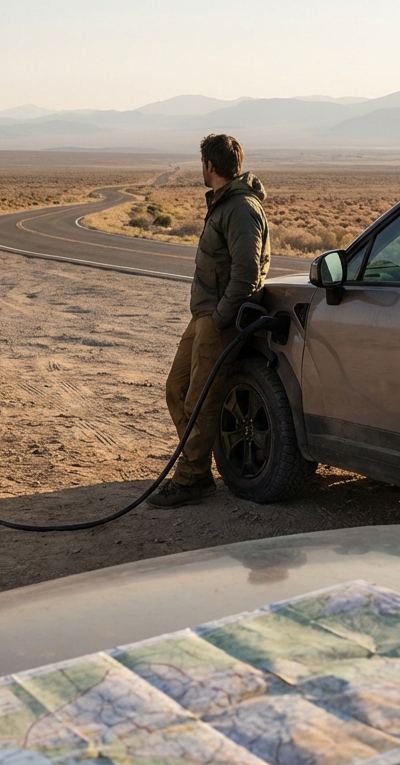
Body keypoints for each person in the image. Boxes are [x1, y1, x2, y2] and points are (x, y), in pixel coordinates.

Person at [148, 134, 270, 508]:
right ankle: (196, 469)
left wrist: (219, 318)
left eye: (201, 163)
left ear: (209, 166)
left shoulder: (239, 208)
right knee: (177, 390)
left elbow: (247, 272)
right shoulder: (224, 203)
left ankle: (190, 479)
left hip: (219, 319)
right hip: (203, 315)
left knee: (200, 401)